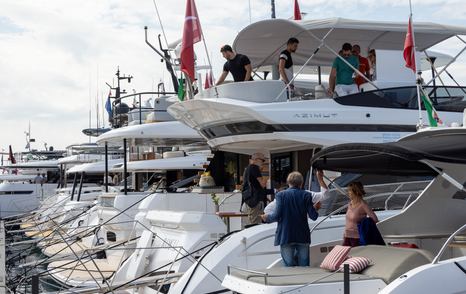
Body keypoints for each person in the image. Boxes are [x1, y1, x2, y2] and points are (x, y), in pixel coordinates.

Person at [261, 171, 322, 267]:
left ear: (288, 182)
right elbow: (313, 217)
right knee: (304, 267)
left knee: (289, 267)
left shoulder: (281, 195)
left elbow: (277, 215)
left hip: (286, 235)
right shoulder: (306, 195)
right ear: (301, 183)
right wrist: (316, 208)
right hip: (302, 236)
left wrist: (266, 218)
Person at [343, 181, 379, 247]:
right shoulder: (350, 204)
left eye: (350, 191)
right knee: (345, 256)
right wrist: (344, 235)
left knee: (356, 256)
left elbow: (375, 219)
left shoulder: (363, 205)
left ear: (356, 192)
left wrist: (364, 223)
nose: (348, 193)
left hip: (357, 238)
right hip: (347, 236)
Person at [241, 152, 271, 225]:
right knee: (256, 225)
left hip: (247, 201)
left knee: (248, 225)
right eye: (263, 160)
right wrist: (265, 174)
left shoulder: (247, 169)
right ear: (257, 159)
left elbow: (255, 186)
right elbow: (263, 184)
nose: (263, 163)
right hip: (255, 202)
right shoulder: (254, 167)